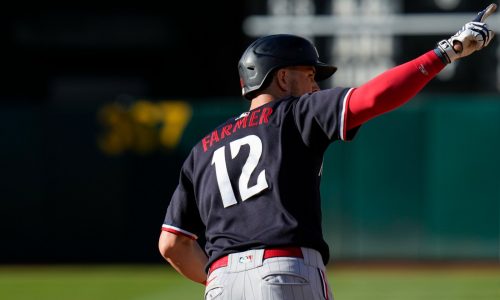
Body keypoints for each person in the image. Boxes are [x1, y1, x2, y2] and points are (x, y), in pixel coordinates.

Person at [158, 4, 496, 300]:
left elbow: (172, 245)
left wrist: (225, 280)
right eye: (309, 75)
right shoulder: (296, 113)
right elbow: (373, 98)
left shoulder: (203, 148)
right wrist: (445, 53)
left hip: (220, 283)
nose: (316, 86)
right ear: (282, 77)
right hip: (284, 271)